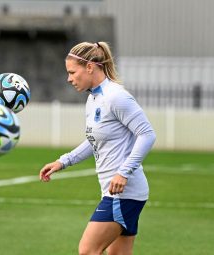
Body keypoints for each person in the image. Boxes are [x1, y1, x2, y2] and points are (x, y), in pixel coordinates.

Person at [39, 42, 156, 255]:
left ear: (90, 67)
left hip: (123, 192)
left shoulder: (116, 96)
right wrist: (63, 161)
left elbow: (147, 134)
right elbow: (94, 140)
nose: (69, 78)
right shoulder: (94, 98)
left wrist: (123, 172)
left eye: (72, 72)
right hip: (121, 192)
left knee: (87, 250)